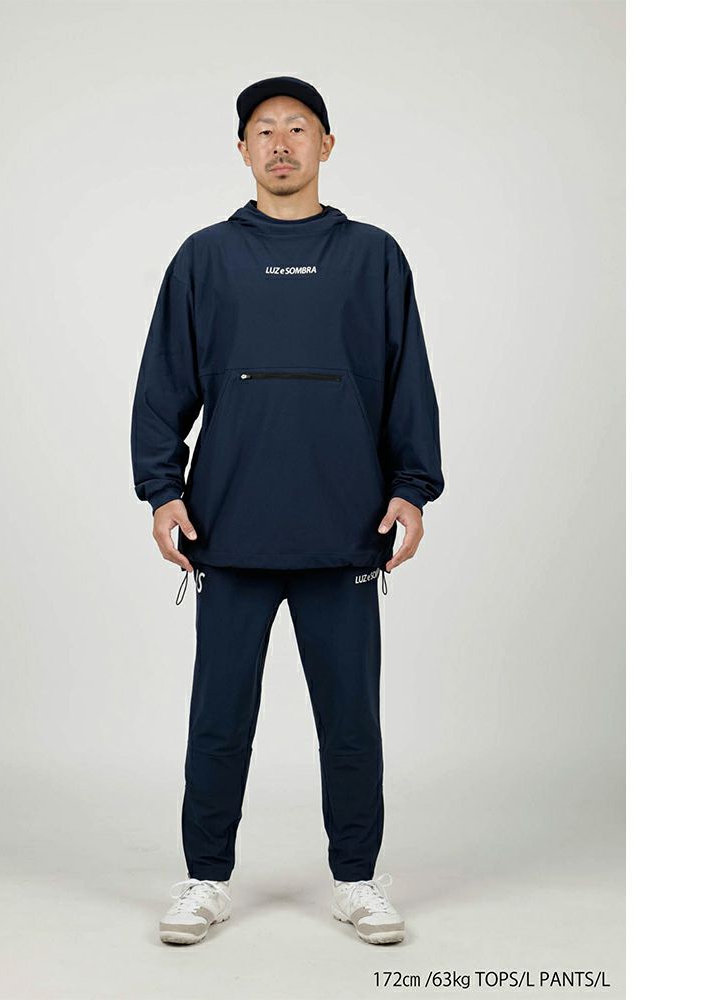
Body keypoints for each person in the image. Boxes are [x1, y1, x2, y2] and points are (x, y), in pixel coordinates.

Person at [131, 76, 444, 945]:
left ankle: (358, 880)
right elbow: (163, 383)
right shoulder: (205, 257)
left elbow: (407, 379)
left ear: (326, 145)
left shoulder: (373, 256)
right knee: (219, 720)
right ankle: (204, 879)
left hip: (346, 530)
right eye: (263, 130)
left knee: (350, 722)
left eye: (297, 128)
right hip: (228, 530)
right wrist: (162, 489)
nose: (280, 142)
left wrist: (412, 486)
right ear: (242, 150)